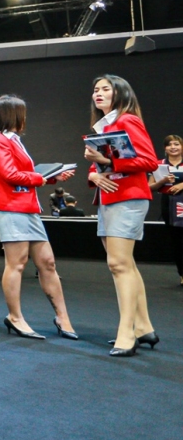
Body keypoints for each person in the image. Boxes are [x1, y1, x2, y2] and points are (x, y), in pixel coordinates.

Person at [0, 94, 77, 341]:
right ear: (12, 115)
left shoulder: (12, 140)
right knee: (17, 263)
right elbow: (9, 174)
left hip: (28, 207)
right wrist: (40, 178)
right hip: (11, 208)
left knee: (47, 262)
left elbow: (22, 173)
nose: (24, 118)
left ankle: (63, 317)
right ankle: (15, 317)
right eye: (22, 113)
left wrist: (52, 177)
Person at [86, 74, 160, 356]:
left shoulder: (127, 120)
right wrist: (94, 174)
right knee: (124, 264)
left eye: (106, 89)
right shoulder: (104, 125)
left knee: (119, 264)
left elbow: (149, 161)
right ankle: (143, 327)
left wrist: (106, 161)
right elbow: (99, 166)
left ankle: (127, 332)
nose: (99, 93)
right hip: (110, 198)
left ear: (120, 93)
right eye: (96, 89)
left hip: (128, 198)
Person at [148, 134, 183, 285]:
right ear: (165, 148)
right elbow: (149, 187)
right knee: (177, 241)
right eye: (169, 145)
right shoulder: (158, 165)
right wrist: (162, 180)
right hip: (168, 204)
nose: (173, 147)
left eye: (176, 144)